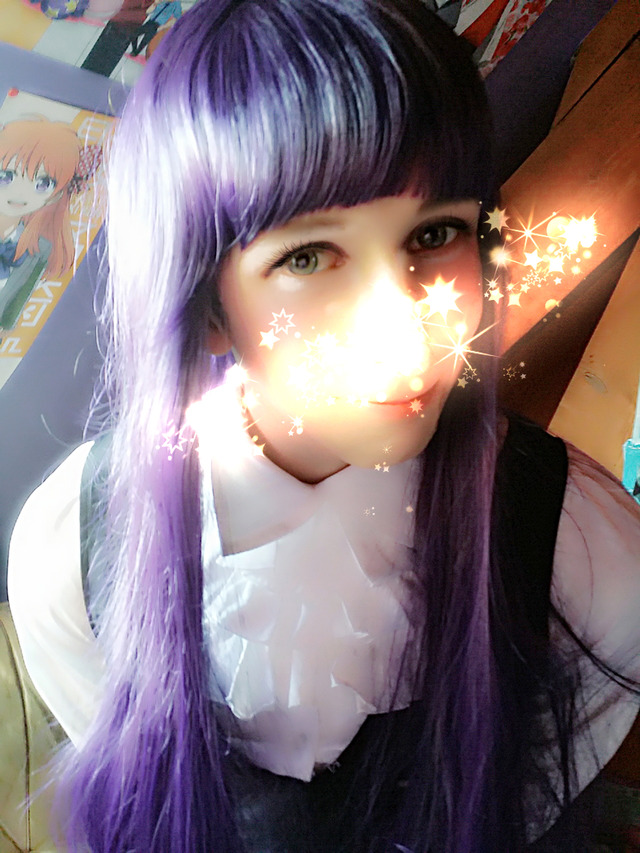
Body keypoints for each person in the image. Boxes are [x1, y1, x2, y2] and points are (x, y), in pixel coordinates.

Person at [7, 1, 640, 851]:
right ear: (207, 302)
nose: (406, 329)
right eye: (308, 257)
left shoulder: (582, 550)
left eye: (435, 233)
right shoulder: (75, 549)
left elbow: (545, 783)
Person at [0, 118, 82, 331]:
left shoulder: (41, 248)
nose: (20, 193)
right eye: (6, 176)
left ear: (57, 194)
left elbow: (11, 313)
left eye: (42, 184)